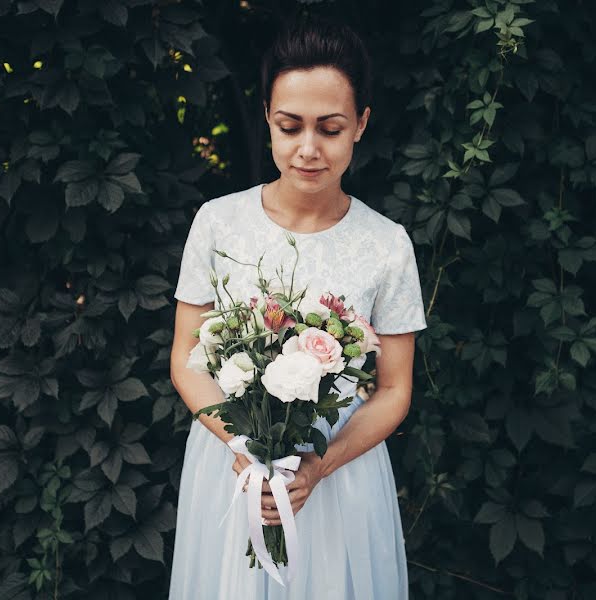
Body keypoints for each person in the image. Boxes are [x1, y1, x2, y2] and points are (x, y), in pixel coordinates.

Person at [167, 15, 427, 599]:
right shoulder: (217, 222)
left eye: (330, 129)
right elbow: (186, 358)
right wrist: (244, 447)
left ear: (360, 124)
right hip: (233, 467)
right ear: (266, 118)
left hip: (336, 474)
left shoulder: (386, 245)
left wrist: (317, 467)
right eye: (290, 127)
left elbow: (394, 389)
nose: (308, 149)